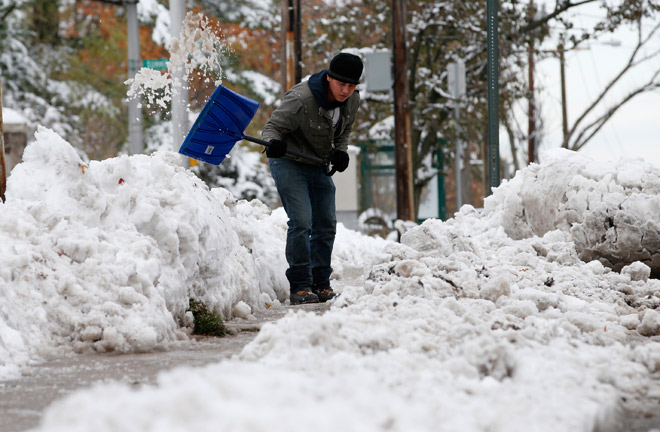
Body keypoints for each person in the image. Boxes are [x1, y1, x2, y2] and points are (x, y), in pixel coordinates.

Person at [261, 52, 363, 305]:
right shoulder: (301, 99)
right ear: (329, 78)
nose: (345, 91)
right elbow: (272, 127)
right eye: (341, 84)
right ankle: (300, 285)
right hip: (289, 162)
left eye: (351, 86)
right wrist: (272, 143)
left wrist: (340, 151)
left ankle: (321, 283)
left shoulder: (352, 101)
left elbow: (344, 129)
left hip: (317, 164)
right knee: (302, 221)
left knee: (326, 224)